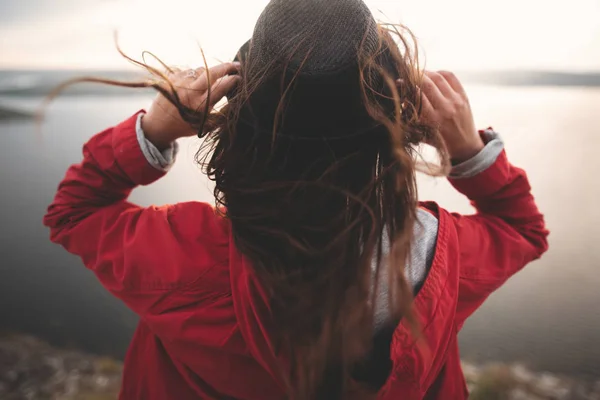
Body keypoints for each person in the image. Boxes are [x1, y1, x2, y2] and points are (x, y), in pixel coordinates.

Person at [43, 0, 549, 398]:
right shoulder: (440, 256)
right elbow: (522, 230)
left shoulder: (181, 252)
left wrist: (154, 130)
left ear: (243, 121)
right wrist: (467, 150)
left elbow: (72, 211)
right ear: (394, 121)